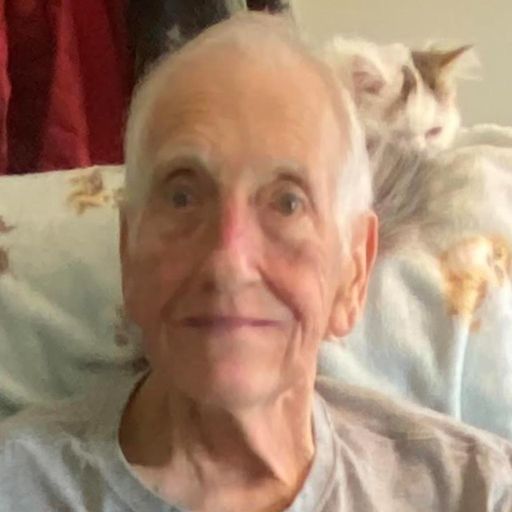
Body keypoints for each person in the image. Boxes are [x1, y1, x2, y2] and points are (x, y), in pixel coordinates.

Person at [1, 12, 511, 512]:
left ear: (353, 274)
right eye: (182, 196)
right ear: (127, 250)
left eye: (287, 202)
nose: (228, 263)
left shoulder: (477, 493)